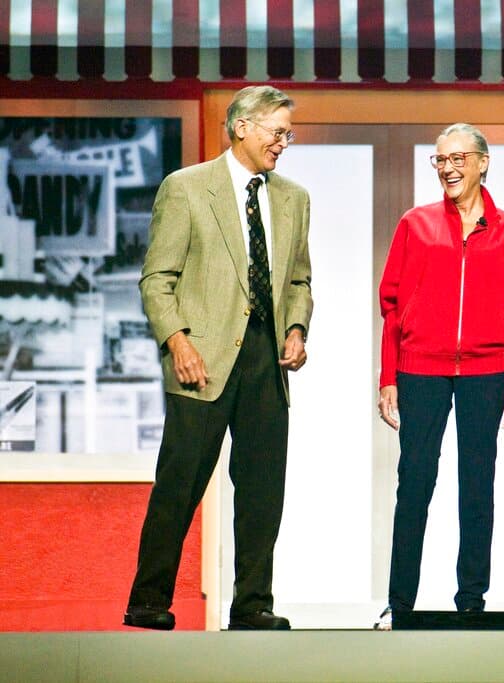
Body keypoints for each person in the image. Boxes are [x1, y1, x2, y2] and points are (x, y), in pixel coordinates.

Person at [123, 85, 313, 631]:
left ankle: (253, 605)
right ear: (241, 128)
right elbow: (157, 280)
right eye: (277, 132)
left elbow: (298, 277)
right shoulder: (186, 189)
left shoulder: (293, 199)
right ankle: (148, 599)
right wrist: (178, 341)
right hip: (201, 358)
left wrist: (296, 327)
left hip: (265, 364)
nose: (283, 142)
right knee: (179, 483)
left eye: (287, 134)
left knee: (261, 492)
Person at [374, 123, 504, 630]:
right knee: (415, 482)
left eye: (457, 158)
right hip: (419, 370)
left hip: (486, 374)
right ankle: (398, 602)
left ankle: (471, 598)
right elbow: (393, 308)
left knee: (477, 485)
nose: (447, 168)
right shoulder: (415, 224)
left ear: (483, 162)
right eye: (440, 160)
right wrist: (388, 378)